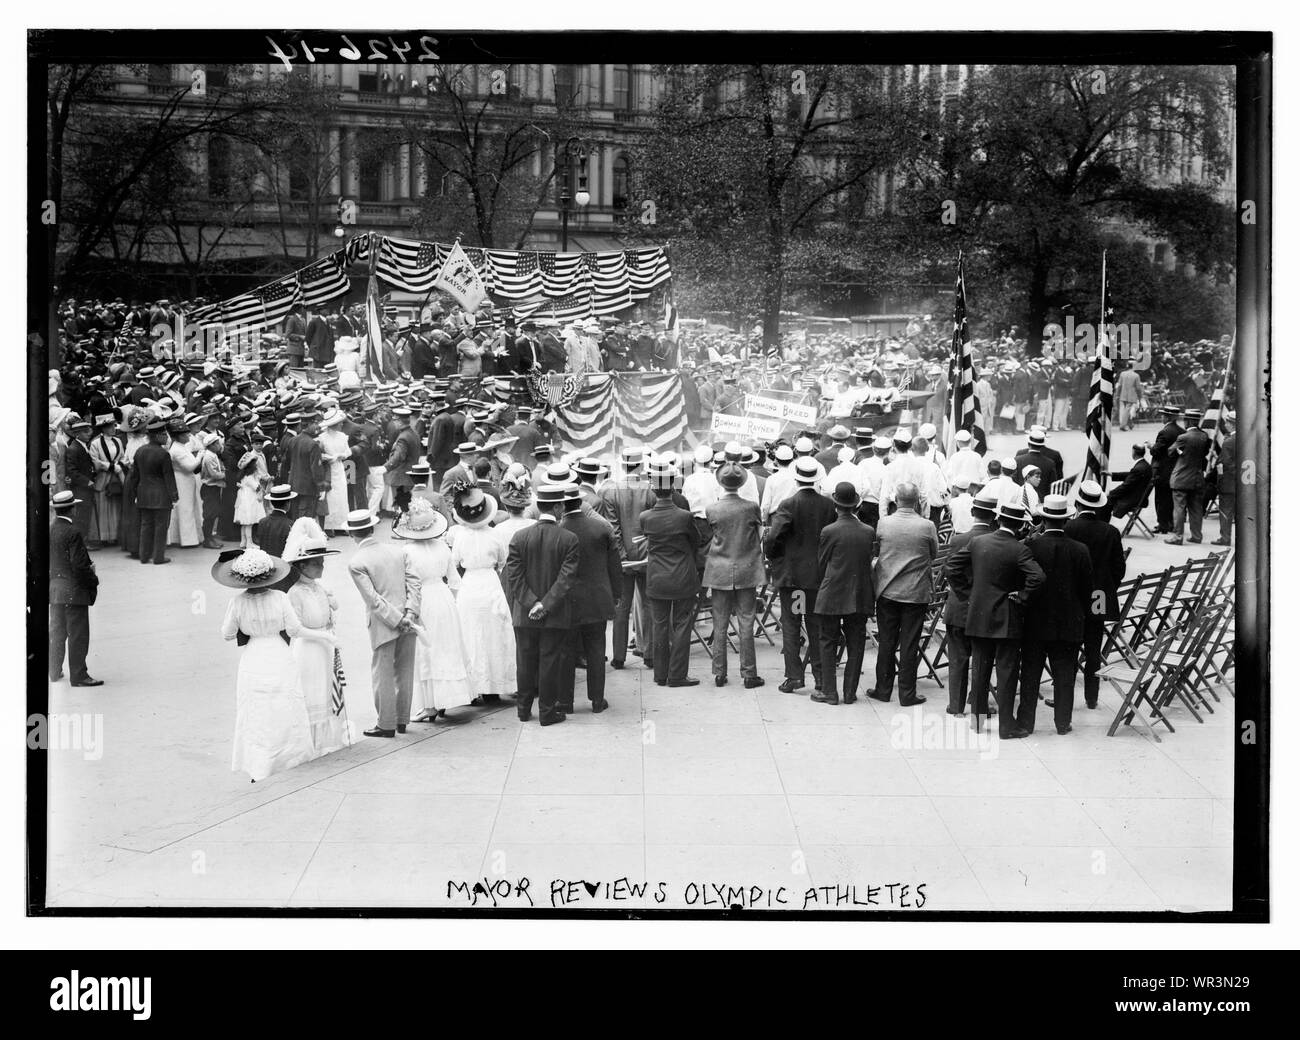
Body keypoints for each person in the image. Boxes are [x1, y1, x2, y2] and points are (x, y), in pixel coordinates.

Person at [216, 548, 327, 782]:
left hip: (254, 655)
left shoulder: (237, 602)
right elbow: (295, 629)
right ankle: (290, 759)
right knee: (284, 706)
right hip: (279, 653)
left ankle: (260, 765)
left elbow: (227, 634)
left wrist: (247, 627)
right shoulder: (280, 598)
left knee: (257, 711)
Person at [946, 502, 1044, 738]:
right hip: (1007, 618)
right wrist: (1022, 595)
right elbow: (1038, 577)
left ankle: (978, 722)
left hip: (978, 616)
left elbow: (952, 568)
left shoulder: (978, 542)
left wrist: (969, 595)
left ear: (998, 519)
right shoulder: (1019, 549)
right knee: (1007, 673)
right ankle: (1006, 726)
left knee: (979, 670)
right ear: (1020, 524)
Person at [1018, 495, 1094, 735]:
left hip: (1035, 623)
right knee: (1064, 677)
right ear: (1067, 519)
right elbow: (1088, 590)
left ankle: (1026, 722)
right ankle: (1063, 723)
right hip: (1068, 623)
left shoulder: (1031, 546)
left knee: (1030, 675)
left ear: (1044, 518)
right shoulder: (1081, 550)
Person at [506, 482, 581, 725]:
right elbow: (565, 579)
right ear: (559, 507)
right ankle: (547, 712)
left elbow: (514, 578)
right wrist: (544, 605)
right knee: (549, 662)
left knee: (525, 662)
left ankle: (523, 709)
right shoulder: (569, 539)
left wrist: (531, 603)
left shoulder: (519, 537)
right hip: (555, 614)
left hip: (523, 613)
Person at [392, 499, 473, 721]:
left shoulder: (406, 551)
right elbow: (455, 581)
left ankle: (430, 705)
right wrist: (453, 603)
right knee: (446, 646)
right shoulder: (441, 546)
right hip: (443, 597)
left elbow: (404, 584)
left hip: (422, 600)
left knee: (426, 651)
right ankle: (443, 699)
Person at [345, 509, 421, 738]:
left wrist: (397, 620)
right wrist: (410, 613)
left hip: (384, 623)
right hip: (409, 620)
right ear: (373, 527)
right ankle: (402, 720)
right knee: (405, 670)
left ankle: (386, 723)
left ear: (351, 534)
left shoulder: (357, 562)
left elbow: (374, 600)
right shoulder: (397, 551)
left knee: (383, 672)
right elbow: (415, 584)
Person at [763, 457, 836, 693]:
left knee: (793, 626)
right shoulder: (827, 505)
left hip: (794, 580)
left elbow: (774, 537)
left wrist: (774, 556)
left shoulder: (788, 504)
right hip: (816, 578)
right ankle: (820, 678)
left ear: (796, 478)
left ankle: (794, 676)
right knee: (815, 627)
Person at [282, 523, 352, 757]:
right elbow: (295, 629)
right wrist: (322, 635)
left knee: (326, 690)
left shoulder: (320, 587)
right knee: (312, 692)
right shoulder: (294, 593)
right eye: (316, 563)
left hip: (324, 648)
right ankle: (311, 744)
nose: (321, 566)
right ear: (303, 566)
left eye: (321, 562)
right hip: (308, 650)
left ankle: (327, 741)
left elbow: (331, 611)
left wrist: (331, 601)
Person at [868, 482, 938, 706]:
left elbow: (877, 550)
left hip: (888, 590)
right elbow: (933, 554)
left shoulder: (884, 523)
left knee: (887, 641)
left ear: (896, 500)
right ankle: (907, 694)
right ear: (917, 501)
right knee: (910, 643)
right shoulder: (927, 526)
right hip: (915, 592)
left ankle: (883, 689)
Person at [448, 483, 517, 704]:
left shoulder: (460, 537)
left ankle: (475, 686)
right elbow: (501, 561)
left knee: (471, 635)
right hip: (490, 583)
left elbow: (456, 562)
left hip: (470, 584)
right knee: (495, 634)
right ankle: (495, 687)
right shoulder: (495, 535)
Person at [559, 483, 623, 713]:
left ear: (561, 505)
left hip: (567, 600)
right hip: (597, 598)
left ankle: (566, 701)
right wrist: (616, 594)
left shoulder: (558, 530)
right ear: (581, 501)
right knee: (596, 649)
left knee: (566, 651)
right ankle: (597, 700)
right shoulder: (601, 528)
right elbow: (614, 566)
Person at [703, 462, 766, 689]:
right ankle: (749, 674)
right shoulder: (751, 508)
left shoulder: (712, 509)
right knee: (746, 621)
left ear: (720, 482)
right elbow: (758, 534)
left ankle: (719, 672)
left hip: (719, 570)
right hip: (746, 570)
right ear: (741, 482)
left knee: (719, 623)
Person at [641, 466, 705, 687]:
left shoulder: (645, 517)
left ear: (653, 489)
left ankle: (660, 674)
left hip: (657, 577)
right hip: (682, 576)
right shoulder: (685, 516)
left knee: (659, 626)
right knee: (681, 625)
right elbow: (696, 542)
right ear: (673, 486)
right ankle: (677, 675)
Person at [813, 482, 876, 705]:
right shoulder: (868, 531)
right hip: (859, 593)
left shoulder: (829, 531)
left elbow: (821, 564)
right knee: (856, 643)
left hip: (832, 592)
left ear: (836, 505)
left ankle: (830, 691)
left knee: (827, 641)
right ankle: (850, 692)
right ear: (856, 505)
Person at [1066, 481, 1127, 709]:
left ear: (1078, 503)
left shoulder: (1068, 528)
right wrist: (1105, 586)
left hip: (1073, 595)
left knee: (1070, 647)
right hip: (1099, 595)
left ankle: (1066, 696)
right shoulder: (1110, 531)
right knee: (1094, 648)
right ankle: (1092, 697)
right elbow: (1118, 569)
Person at [599, 446, 657, 668]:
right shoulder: (651, 490)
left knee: (622, 609)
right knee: (648, 605)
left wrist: (623, 557)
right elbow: (652, 527)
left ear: (623, 465)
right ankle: (649, 653)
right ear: (641, 465)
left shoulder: (611, 491)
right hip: (645, 556)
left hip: (623, 559)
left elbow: (613, 530)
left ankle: (619, 657)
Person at [942, 489, 998, 717]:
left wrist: (965, 593)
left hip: (959, 605)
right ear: (993, 517)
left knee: (957, 659)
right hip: (984, 608)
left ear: (973, 512)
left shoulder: (959, 539)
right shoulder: (998, 541)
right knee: (982, 661)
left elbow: (951, 570)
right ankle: (978, 705)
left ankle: (955, 707)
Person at [49, 490, 101, 687]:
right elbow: (79, 566)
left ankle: (54, 670)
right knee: (77, 634)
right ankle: (79, 675)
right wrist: (93, 579)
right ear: (72, 509)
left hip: (55, 590)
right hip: (74, 590)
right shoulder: (74, 532)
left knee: (57, 631)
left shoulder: (50, 530)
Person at [130, 417, 178, 565]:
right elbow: (168, 477)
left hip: (143, 495)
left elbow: (134, 476)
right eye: (164, 434)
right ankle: (158, 557)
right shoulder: (163, 454)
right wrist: (174, 495)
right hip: (161, 496)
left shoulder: (140, 451)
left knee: (145, 526)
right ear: (157, 436)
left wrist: (135, 493)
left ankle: (144, 556)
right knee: (161, 527)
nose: (166, 437)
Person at [1166, 408, 1212, 545]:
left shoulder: (1183, 437)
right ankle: (1196, 536)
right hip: (1197, 478)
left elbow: (1170, 452)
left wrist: (1181, 452)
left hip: (1181, 478)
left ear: (1188, 421)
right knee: (1196, 508)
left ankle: (1178, 536)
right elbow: (1204, 453)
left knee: (1179, 508)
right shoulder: (1204, 436)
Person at [88, 414, 126, 547]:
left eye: (113, 425)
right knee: (103, 506)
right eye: (109, 426)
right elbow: (94, 461)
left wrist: (119, 465)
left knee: (116, 505)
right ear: (103, 428)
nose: (112, 428)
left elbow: (122, 456)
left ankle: (115, 536)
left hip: (116, 476)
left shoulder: (118, 441)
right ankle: (104, 537)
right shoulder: (95, 443)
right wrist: (110, 466)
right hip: (103, 477)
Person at [316, 409, 351, 536]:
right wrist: (325, 457)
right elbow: (318, 454)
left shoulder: (342, 436)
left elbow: (348, 452)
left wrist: (340, 455)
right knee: (330, 497)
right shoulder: (322, 438)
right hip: (328, 470)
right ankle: (329, 526)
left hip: (340, 468)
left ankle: (342, 525)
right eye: (339, 423)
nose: (341, 425)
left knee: (341, 496)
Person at [1150, 406, 1183, 533]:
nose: (1161, 417)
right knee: (1171, 499)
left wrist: (1151, 447)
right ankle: (1171, 523)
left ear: (1167, 417)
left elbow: (1156, 451)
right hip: (1176, 468)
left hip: (1163, 470)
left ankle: (1163, 524)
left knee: (1161, 498)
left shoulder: (1164, 432)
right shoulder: (1181, 430)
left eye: (1163, 415)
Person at [1108, 444, 1152, 519]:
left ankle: (1102, 525)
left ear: (1134, 453)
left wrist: (1111, 493)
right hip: (1140, 497)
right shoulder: (1145, 465)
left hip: (1133, 500)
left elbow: (1125, 486)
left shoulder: (1138, 469)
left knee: (1105, 501)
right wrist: (1112, 474)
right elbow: (1131, 475)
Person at [1212, 415, 1236, 545]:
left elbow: (1225, 464)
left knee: (1226, 513)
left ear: (1232, 424)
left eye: (1227, 422)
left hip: (1229, 483)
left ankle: (1225, 538)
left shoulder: (1228, 442)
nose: (1225, 425)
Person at [1116, 364, 1143, 430]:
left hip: (1123, 394)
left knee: (1124, 410)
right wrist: (1140, 396)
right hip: (1131, 395)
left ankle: (1130, 424)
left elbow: (1119, 385)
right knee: (1127, 410)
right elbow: (1138, 388)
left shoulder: (1122, 374)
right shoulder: (1136, 375)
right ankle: (1123, 425)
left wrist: (1117, 394)